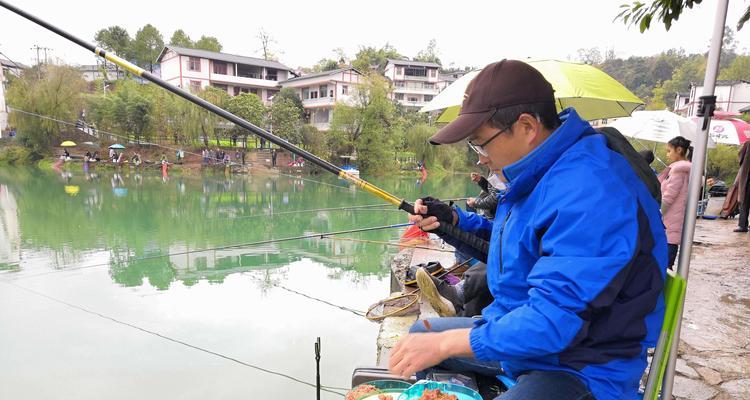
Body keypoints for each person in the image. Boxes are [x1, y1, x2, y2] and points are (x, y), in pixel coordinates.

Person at [389, 60, 667, 400]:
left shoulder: (590, 189)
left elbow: (552, 323)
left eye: (481, 143)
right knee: (420, 334)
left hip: (580, 365)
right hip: (521, 336)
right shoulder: (538, 173)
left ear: (526, 127)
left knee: (437, 342)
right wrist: (454, 222)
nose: (480, 158)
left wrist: (448, 342)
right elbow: (514, 251)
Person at [658, 136, 692, 268]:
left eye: (669, 151)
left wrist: (659, 214)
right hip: (672, 221)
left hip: (670, 222)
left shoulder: (679, 171)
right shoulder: (677, 169)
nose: (667, 154)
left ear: (679, 150)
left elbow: (669, 196)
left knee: (665, 266)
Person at [734, 141, 750, 232]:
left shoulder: (748, 143)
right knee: (744, 201)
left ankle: (743, 225)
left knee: (744, 202)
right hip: (747, 178)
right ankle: (743, 225)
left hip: (747, 178)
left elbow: (740, 157)